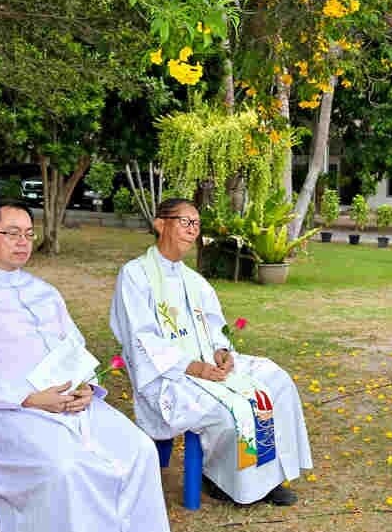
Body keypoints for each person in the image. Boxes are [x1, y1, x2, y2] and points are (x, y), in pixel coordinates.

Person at [0, 199, 171, 532]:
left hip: (70, 399)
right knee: (64, 466)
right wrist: (29, 399)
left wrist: (85, 386)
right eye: (12, 233)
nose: (23, 242)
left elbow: (74, 345)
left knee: (138, 449)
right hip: (7, 411)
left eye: (29, 234)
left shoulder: (45, 292)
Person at [110, 198, 313, 506]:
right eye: (184, 221)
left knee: (276, 381)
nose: (192, 230)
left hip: (209, 366)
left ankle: (269, 477)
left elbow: (216, 328)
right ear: (160, 224)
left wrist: (222, 352)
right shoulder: (135, 276)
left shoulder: (195, 281)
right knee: (231, 409)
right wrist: (195, 368)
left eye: (196, 223)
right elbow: (142, 339)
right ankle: (222, 478)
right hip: (170, 375)